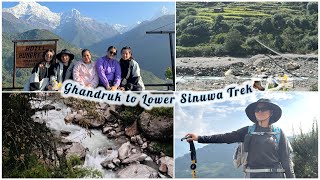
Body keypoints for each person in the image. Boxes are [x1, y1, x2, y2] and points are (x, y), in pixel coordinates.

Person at [185, 99, 295, 178]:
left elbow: (286, 159)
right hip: (253, 176)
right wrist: (199, 138)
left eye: (264, 108)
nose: (259, 111)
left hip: (276, 176)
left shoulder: (278, 133)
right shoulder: (247, 131)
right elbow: (226, 137)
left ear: (271, 112)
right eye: (257, 109)